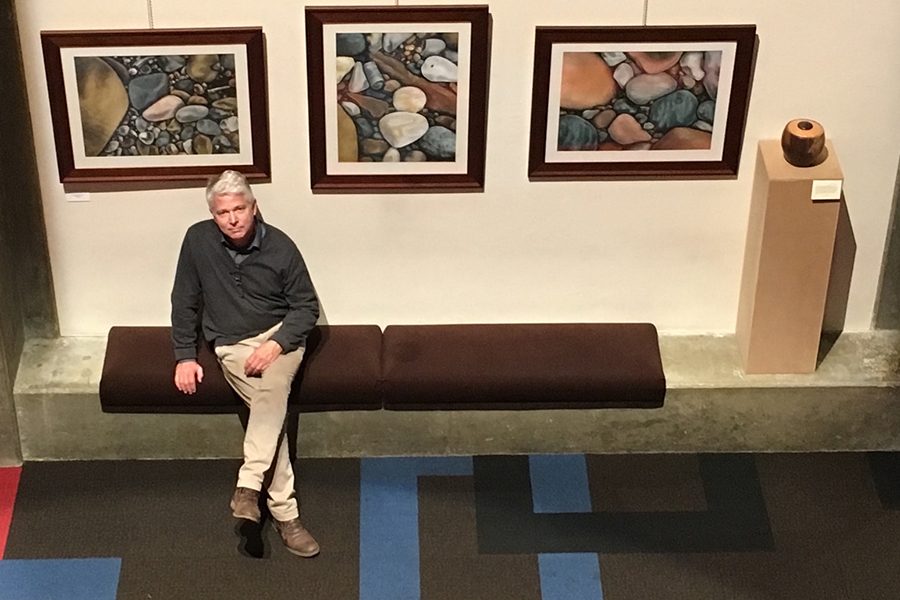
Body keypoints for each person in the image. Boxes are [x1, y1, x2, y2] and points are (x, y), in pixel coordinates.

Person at [171, 169, 320, 557]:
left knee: (271, 391)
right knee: (270, 413)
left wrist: (277, 344)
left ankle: (248, 486)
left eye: (240, 209)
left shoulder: (282, 247)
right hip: (232, 345)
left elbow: (306, 307)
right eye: (223, 213)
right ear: (213, 214)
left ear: (254, 207)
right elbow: (183, 299)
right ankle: (288, 517)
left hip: (280, 339)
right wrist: (185, 355)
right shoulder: (197, 240)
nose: (233, 219)